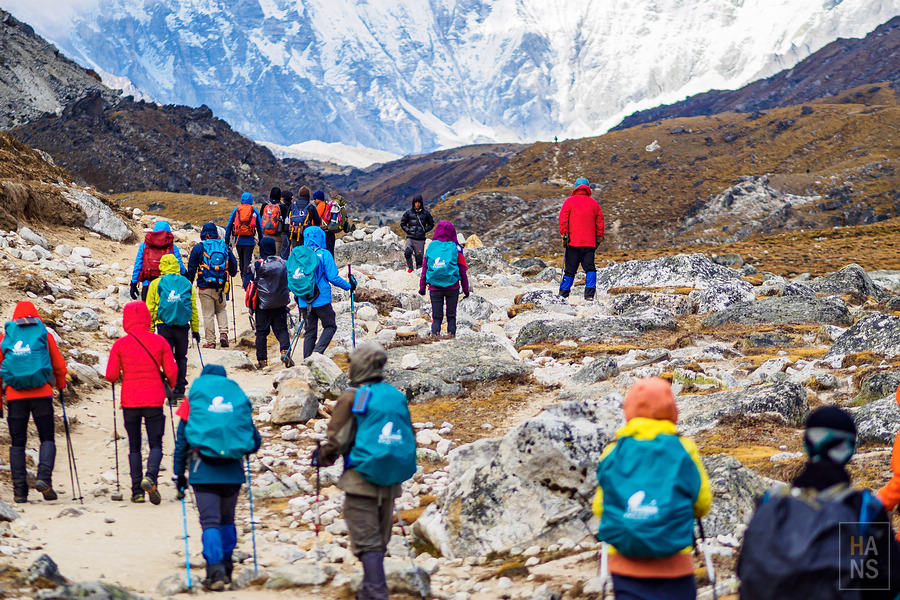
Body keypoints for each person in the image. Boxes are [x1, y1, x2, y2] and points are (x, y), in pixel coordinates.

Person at [738, 405, 900, 599]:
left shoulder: (772, 503)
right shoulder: (863, 511)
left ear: (806, 445)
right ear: (850, 450)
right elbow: (885, 581)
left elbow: (746, 569)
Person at [313, 342, 417, 600]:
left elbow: (338, 441)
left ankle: (375, 591)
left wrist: (321, 458)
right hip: (391, 481)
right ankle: (371, 589)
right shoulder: (394, 395)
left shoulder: (354, 397)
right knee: (378, 542)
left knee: (366, 540)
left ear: (357, 366)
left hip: (361, 479)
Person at [594, 377, 711, 599]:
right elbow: (702, 504)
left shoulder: (612, 451)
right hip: (675, 561)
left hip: (625, 564)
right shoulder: (684, 447)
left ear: (628, 409)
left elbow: (600, 507)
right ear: (672, 409)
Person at [173, 364, 261, 591]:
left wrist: (179, 474)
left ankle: (215, 572)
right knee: (227, 520)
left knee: (210, 522)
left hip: (203, 472)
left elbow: (182, 441)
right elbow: (254, 440)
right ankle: (227, 567)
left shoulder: (194, 399)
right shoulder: (234, 399)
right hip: (233, 472)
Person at [105, 301, 177, 504]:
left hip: (130, 401)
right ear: (148, 318)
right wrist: (170, 387)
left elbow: (110, 375)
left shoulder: (120, 344)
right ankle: (151, 477)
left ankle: (137, 491)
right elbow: (171, 370)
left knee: (134, 446)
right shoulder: (159, 341)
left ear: (126, 320)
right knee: (155, 443)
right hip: (154, 400)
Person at [0, 301, 67, 503]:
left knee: (17, 444)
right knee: (47, 438)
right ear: (35, 315)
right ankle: (44, 478)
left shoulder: (6, 337)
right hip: (42, 395)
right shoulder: (44, 335)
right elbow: (59, 364)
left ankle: (20, 492)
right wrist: (61, 385)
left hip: (15, 397)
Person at [146, 254, 200, 402]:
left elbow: (149, 309)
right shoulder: (186, 282)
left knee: (167, 359)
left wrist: (150, 331)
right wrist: (195, 329)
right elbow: (193, 308)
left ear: (161, 265)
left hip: (164, 326)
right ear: (177, 264)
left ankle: (170, 390)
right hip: (183, 326)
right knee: (181, 358)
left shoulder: (156, 284)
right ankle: (181, 389)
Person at [301, 226, 354, 358]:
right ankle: (317, 354)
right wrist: (349, 286)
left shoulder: (298, 255)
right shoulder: (324, 254)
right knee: (330, 326)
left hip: (303, 298)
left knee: (310, 331)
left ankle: (307, 359)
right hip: (321, 299)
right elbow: (333, 277)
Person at [187, 222, 238, 349]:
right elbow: (233, 268)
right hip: (221, 285)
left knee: (208, 313)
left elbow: (192, 267)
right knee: (221, 310)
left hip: (205, 285)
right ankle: (224, 334)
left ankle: (210, 341)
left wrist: (190, 282)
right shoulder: (224, 247)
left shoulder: (199, 248)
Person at [247, 237, 292, 369]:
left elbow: (247, 284)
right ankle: (285, 351)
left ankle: (262, 361)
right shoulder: (283, 263)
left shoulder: (257, 265)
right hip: (280, 303)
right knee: (282, 330)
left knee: (261, 333)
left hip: (262, 305)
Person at [419, 221, 469, 337]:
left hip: (435, 288)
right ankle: (451, 340)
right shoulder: (456, 248)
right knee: (451, 317)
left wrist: (422, 288)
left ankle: (434, 339)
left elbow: (424, 269)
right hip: (453, 287)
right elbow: (462, 271)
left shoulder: (431, 247)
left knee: (436, 318)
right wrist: (466, 290)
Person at [558, 177, 604, 300]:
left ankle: (563, 295)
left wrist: (564, 234)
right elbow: (600, 223)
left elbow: (563, 219)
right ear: (588, 188)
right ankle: (589, 295)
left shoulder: (569, 201)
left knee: (569, 270)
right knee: (590, 268)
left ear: (575, 187)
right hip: (589, 243)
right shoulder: (594, 203)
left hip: (573, 242)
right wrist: (598, 238)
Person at [130, 221, 186, 300]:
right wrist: (186, 275)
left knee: (148, 311)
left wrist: (133, 283)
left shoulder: (144, 245)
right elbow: (179, 265)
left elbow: (138, 265)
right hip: (167, 285)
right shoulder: (172, 247)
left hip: (148, 283)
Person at [224, 192, 263, 288]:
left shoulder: (236, 210)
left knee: (241, 260)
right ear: (251, 199)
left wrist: (227, 239)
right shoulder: (254, 210)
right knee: (247, 260)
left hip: (238, 240)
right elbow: (260, 227)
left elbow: (229, 225)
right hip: (249, 241)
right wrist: (261, 240)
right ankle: (246, 280)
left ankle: (242, 278)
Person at [400, 194, 434, 273]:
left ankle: (418, 275)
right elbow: (403, 223)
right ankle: (410, 268)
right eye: (416, 202)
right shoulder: (408, 213)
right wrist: (408, 230)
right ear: (413, 203)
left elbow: (431, 224)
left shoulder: (426, 213)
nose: (417, 204)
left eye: (419, 202)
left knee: (419, 260)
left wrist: (424, 230)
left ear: (421, 203)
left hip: (420, 239)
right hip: (410, 238)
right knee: (407, 252)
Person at [286, 186, 321, 252]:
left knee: (295, 253)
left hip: (293, 233)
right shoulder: (311, 207)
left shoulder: (292, 205)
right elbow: (317, 222)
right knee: (305, 253)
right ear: (309, 195)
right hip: (306, 234)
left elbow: (287, 219)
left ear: (299, 194)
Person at [261, 187, 284, 257]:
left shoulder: (265, 205)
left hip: (266, 235)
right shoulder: (282, 206)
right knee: (275, 257)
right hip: (278, 237)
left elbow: (260, 217)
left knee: (265, 257)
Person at [278, 190, 294, 259]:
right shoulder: (293, 207)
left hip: (280, 232)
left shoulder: (280, 207)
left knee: (282, 252)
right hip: (290, 232)